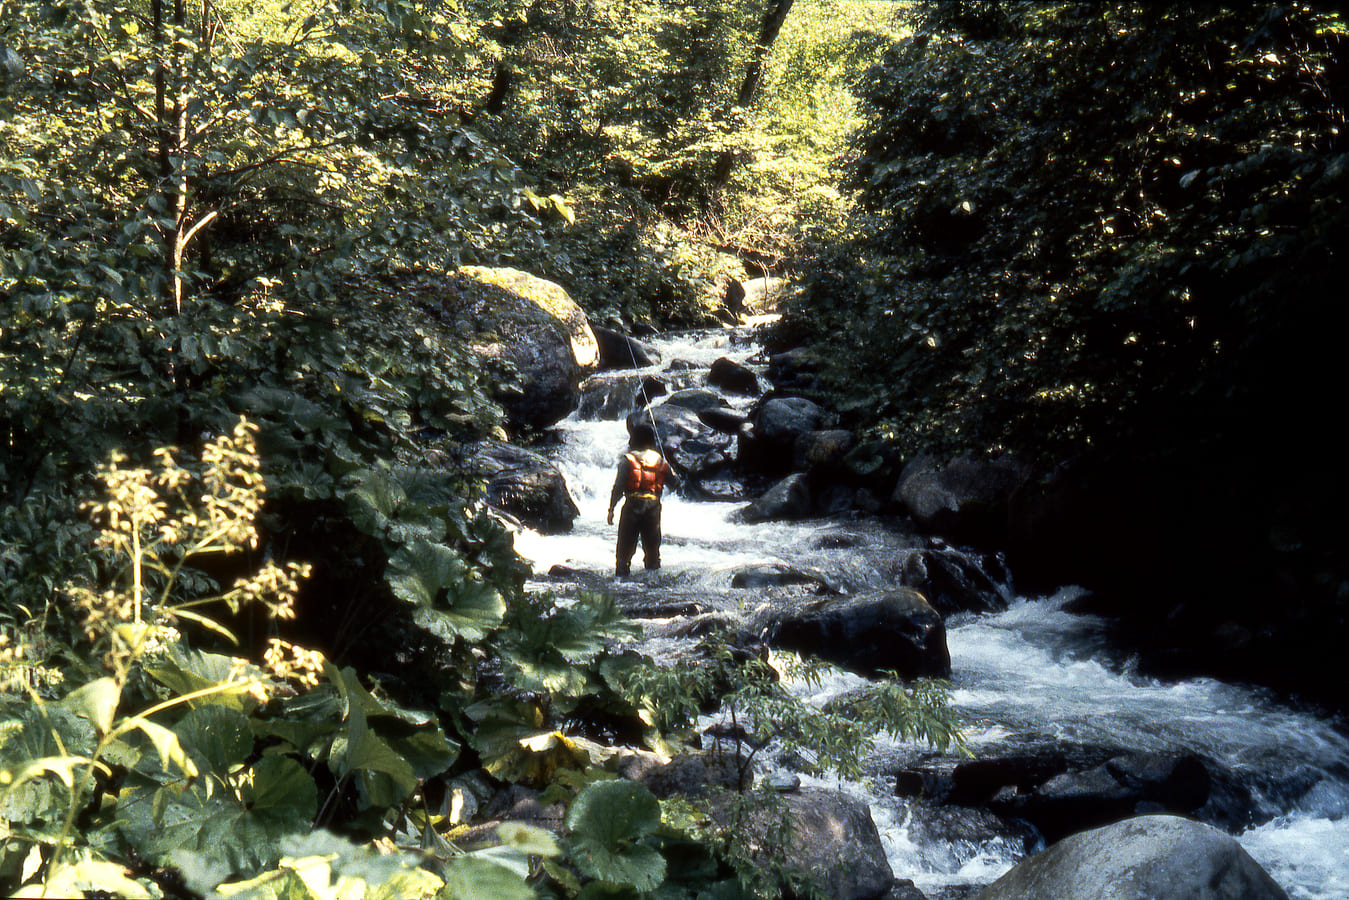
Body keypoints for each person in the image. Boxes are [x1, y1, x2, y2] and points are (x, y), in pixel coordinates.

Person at [606, 422, 677, 577]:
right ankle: (653, 584)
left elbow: (618, 487)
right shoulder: (661, 461)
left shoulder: (628, 460)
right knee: (652, 552)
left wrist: (611, 509)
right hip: (653, 509)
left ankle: (620, 581)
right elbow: (675, 484)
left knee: (624, 553)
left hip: (632, 507)